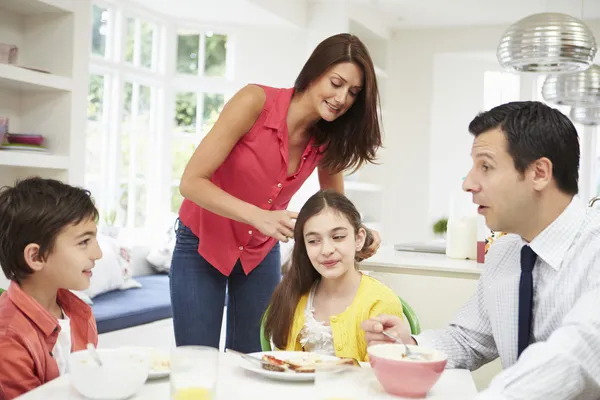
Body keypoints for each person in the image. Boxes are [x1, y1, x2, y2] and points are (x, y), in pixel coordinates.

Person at [362, 101, 600, 399]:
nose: (469, 183)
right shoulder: (506, 252)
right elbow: (468, 339)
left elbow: (574, 356)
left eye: (485, 166)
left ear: (539, 172)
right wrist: (409, 345)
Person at [172, 33, 384, 352]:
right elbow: (191, 181)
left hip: (259, 252)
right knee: (196, 360)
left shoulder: (328, 139)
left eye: (353, 92)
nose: (342, 99)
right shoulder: (254, 102)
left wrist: (360, 233)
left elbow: (335, 206)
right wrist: (259, 216)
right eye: (336, 83)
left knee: (253, 359)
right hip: (201, 242)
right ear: (314, 73)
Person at [264, 190, 403, 361]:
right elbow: (282, 365)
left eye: (338, 237)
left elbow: (380, 373)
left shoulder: (382, 302)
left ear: (358, 239)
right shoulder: (293, 295)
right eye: (313, 241)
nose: (326, 250)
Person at [0, 177, 102, 399]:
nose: (98, 254)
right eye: (84, 242)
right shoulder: (7, 338)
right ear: (36, 256)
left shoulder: (78, 313)